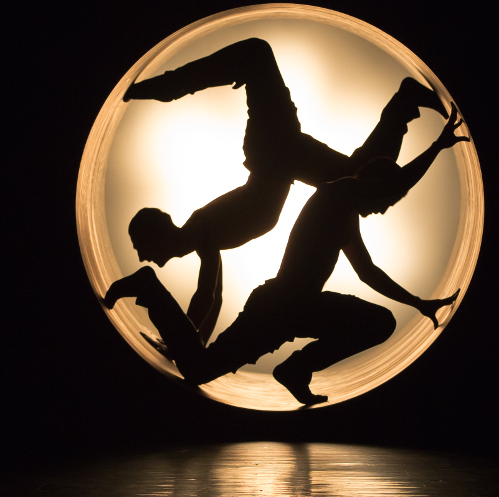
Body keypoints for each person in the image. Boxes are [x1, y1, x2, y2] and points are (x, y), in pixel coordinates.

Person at [104, 106, 467, 405]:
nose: (384, 209)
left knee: (381, 322)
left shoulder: (342, 215)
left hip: (299, 309)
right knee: (198, 370)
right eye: (386, 202)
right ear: (373, 187)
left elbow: (368, 272)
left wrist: (418, 303)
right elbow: (397, 183)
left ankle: (296, 369)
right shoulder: (338, 193)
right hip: (278, 309)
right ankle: (150, 289)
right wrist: (438, 146)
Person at [124, 38, 452, 343]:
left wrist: (182, 341)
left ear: (162, 231)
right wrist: (195, 344)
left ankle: (171, 84)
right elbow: (215, 296)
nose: (143, 257)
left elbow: (206, 294)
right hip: (280, 160)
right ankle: (404, 102)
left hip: (273, 155)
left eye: (142, 246)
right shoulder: (206, 235)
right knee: (360, 178)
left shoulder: (202, 230)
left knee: (257, 54)